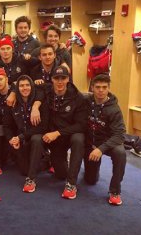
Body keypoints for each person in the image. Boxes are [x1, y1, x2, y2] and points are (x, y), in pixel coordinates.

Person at [43, 66, 87, 199]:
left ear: (68, 79)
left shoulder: (78, 97)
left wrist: (58, 132)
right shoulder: (47, 93)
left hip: (70, 135)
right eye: (57, 78)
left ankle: (71, 183)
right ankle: (53, 160)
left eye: (63, 78)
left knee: (79, 138)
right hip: (56, 140)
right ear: (52, 79)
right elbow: (29, 89)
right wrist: (35, 106)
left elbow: (81, 125)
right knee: (60, 174)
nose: (60, 81)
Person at [84, 74, 126, 206]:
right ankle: (91, 171)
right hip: (90, 143)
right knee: (90, 181)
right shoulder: (86, 100)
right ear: (92, 88)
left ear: (108, 88)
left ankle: (115, 191)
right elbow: (70, 92)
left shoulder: (114, 109)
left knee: (120, 153)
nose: (101, 90)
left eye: (104, 87)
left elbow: (120, 134)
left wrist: (101, 149)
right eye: (97, 87)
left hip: (107, 144)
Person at [5, 75, 48, 193]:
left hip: (36, 137)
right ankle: (46, 161)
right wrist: (12, 139)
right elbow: (7, 126)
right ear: (17, 88)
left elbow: (43, 127)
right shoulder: (12, 103)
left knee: (37, 139)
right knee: (24, 170)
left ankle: (31, 179)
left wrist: (21, 137)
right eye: (21, 86)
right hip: (21, 139)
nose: (25, 88)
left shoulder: (39, 103)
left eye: (27, 85)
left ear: (32, 86)